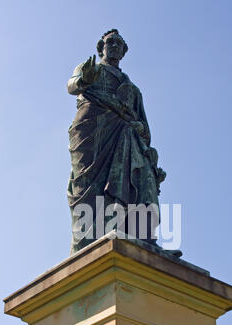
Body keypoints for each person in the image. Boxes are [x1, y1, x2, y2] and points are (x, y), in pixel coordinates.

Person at [67, 29, 165, 254]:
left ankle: (139, 238)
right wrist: (84, 79)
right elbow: (72, 86)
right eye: (110, 42)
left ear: (124, 51)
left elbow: (145, 128)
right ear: (101, 47)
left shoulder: (133, 90)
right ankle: (89, 242)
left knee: (139, 182)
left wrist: (139, 129)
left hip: (127, 138)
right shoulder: (91, 68)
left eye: (120, 44)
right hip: (92, 134)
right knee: (88, 187)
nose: (115, 46)